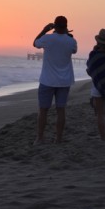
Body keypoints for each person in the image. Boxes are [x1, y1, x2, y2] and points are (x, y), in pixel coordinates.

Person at [32, 16, 77, 144]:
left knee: (43, 110)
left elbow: (35, 43)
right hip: (65, 81)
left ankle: (39, 138)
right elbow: (74, 50)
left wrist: (44, 30)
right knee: (61, 110)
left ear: (54, 26)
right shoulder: (71, 41)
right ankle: (58, 138)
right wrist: (67, 34)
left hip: (47, 80)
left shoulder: (47, 38)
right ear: (66, 26)